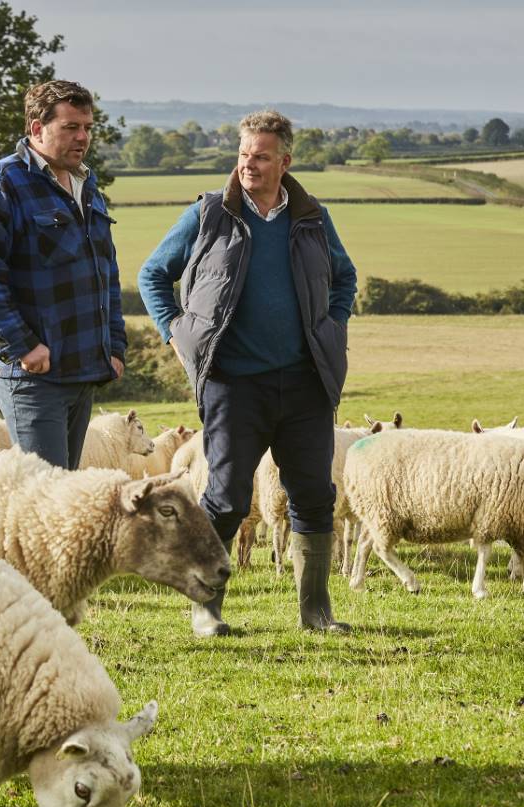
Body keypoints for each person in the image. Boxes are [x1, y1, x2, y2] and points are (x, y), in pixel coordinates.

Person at [138, 109, 358, 637]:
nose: (248, 165)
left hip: (305, 384)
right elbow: (153, 274)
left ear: (284, 161)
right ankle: (207, 614)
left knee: (313, 495)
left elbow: (345, 278)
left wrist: (332, 327)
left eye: (260, 156)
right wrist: (175, 332)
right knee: (227, 497)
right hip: (233, 383)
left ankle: (317, 614)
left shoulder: (311, 216)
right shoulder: (211, 213)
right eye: (242, 155)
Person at [0, 80, 125, 469]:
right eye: (70, 128)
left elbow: (105, 271)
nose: (82, 137)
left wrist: (114, 345)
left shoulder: (85, 184)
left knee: (64, 489)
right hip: (33, 376)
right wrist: (23, 347)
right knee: (43, 495)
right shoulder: (1, 183)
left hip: (82, 368)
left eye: (87, 127)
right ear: (36, 128)